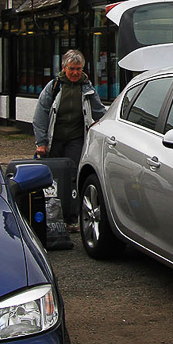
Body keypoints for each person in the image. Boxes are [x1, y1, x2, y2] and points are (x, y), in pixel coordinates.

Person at [32, 50, 106, 226]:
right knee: (53, 178)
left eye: (78, 69)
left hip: (75, 139)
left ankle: (72, 218)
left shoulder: (87, 88)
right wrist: (41, 143)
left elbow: (99, 111)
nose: (75, 73)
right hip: (55, 139)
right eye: (72, 68)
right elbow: (40, 115)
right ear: (64, 68)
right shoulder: (54, 86)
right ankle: (52, 216)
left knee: (73, 177)